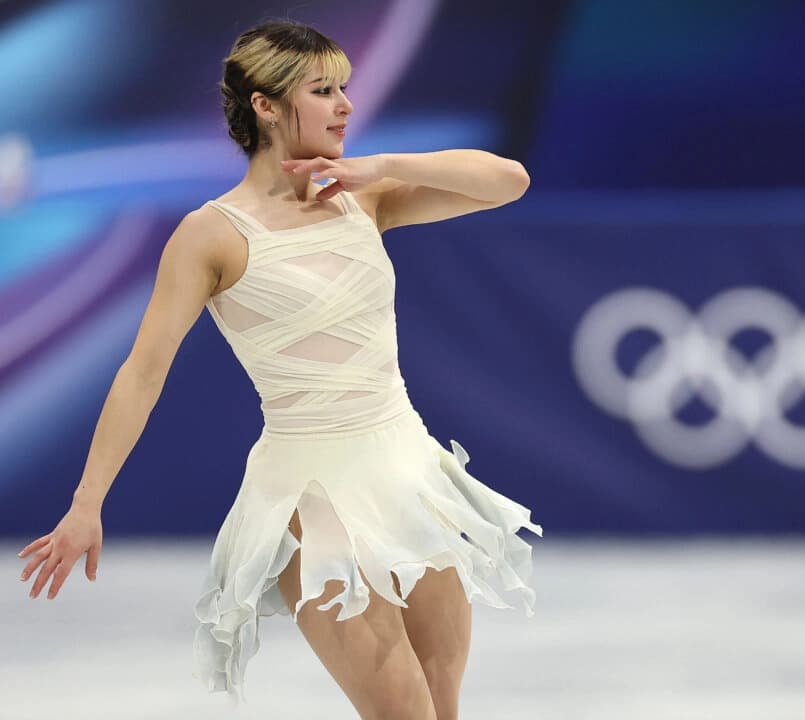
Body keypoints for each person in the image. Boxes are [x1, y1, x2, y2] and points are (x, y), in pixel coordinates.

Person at [17, 18, 542, 719]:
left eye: (345, 88)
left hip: (409, 477)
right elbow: (143, 371)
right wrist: (87, 502)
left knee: (443, 710)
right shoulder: (212, 234)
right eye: (324, 90)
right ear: (264, 105)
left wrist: (386, 167)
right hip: (308, 498)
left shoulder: (364, 197)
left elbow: (509, 180)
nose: (346, 106)